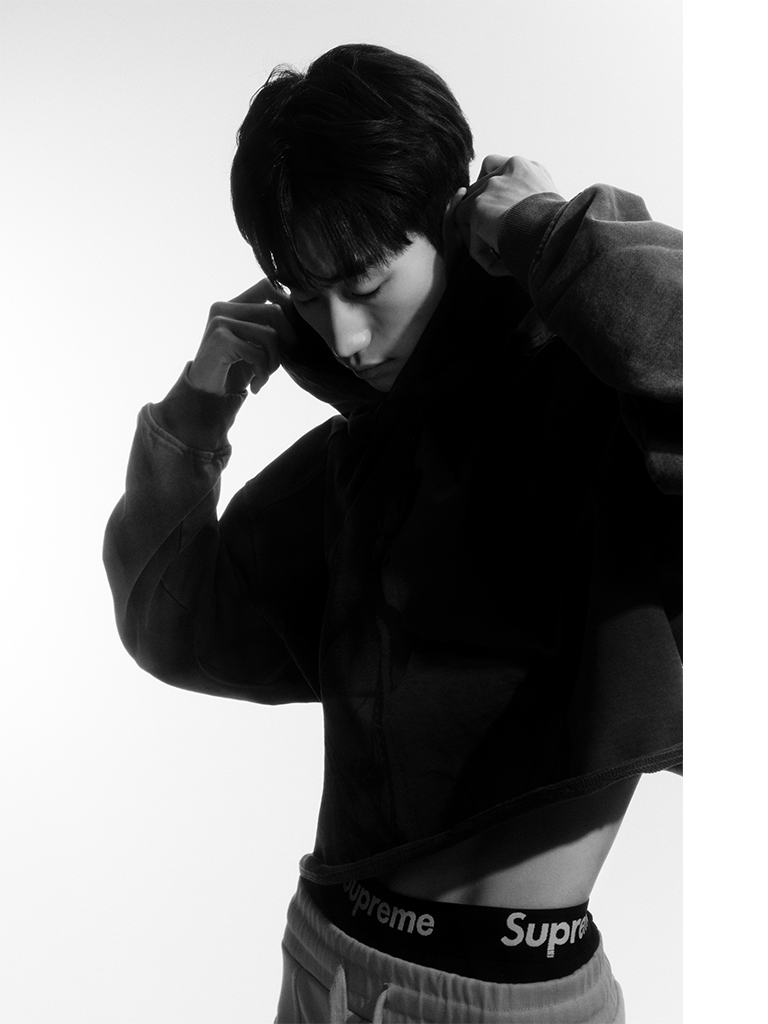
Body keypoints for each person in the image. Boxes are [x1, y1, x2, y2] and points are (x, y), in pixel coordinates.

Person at [103, 43, 681, 1024]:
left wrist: (548, 230)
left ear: (455, 223)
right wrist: (197, 411)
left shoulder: (588, 402)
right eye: (308, 295)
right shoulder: (364, 461)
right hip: (322, 961)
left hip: (515, 999)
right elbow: (173, 621)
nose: (345, 337)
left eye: (367, 283)